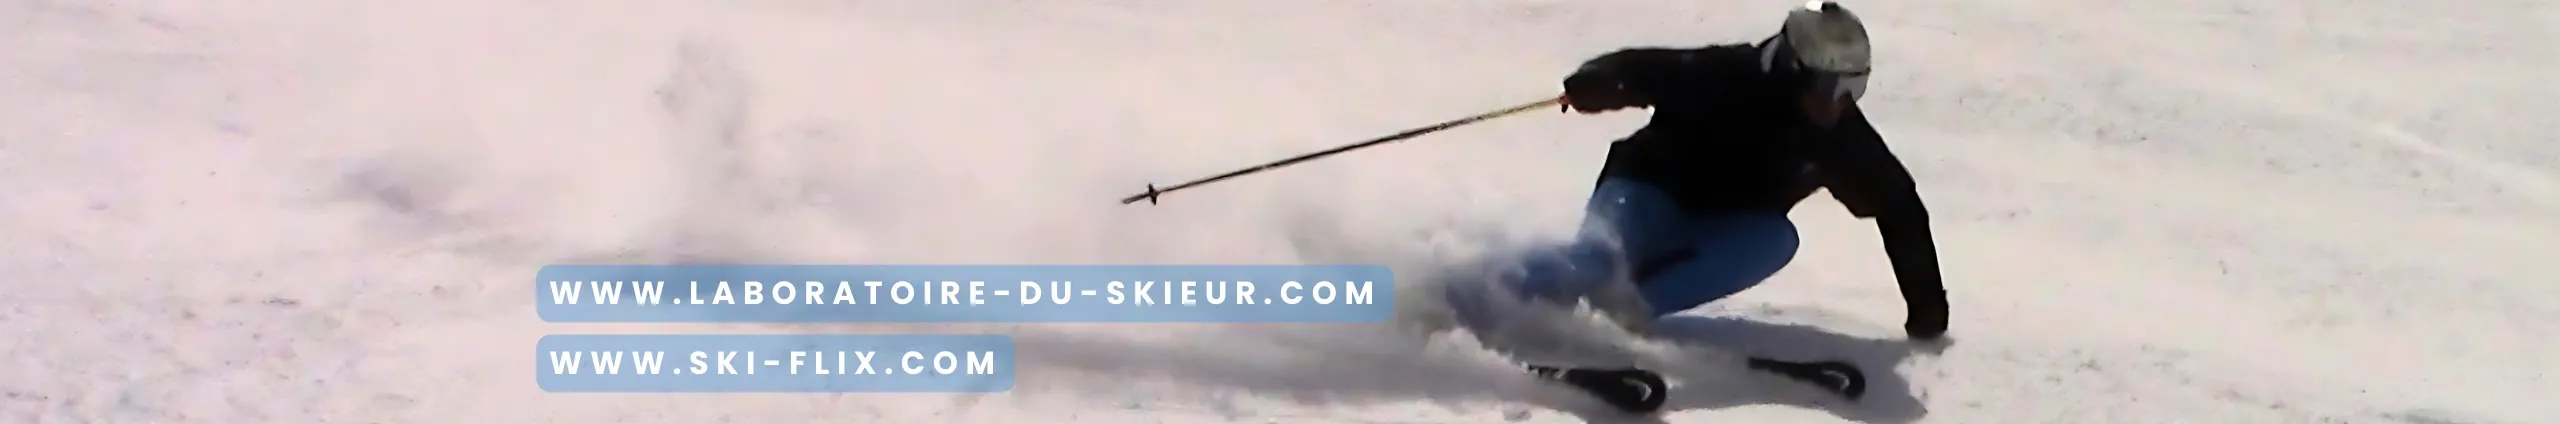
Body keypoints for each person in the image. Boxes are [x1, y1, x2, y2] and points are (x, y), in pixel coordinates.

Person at [1448, 0, 1949, 354]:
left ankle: (1619, 316)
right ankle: (1454, 297)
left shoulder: (1841, 136)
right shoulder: (1726, 73)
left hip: (1720, 228)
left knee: (1777, 239)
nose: (1839, 104)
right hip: (1647, 192)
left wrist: (1927, 309)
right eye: (1830, 87)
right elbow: (1641, 69)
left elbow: (1900, 206)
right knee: (1598, 261)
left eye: (1852, 90)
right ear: (1793, 69)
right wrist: (1600, 82)